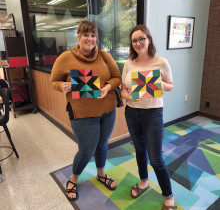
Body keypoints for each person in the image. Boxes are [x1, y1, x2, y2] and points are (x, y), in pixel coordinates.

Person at [50, 20, 122, 201]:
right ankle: (73, 180)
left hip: (107, 110)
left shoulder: (104, 56)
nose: (90, 39)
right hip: (82, 114)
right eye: (86, 35)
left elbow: (117, 77)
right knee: (86, 150)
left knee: (103, 143)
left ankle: (101, 174)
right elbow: (53, 81)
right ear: (79, 36)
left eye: (93, 35)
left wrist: (107, 87)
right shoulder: (65, 58)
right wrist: (63, 86)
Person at [121, 25, 176, 210]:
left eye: (141, 39)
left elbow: (171, 85)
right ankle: (143, 182)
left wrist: (161, 85)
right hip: (132, 112)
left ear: (149, 39)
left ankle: (168, 196)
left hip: (153, 113)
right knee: (139, 149)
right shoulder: (129, 63)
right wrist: (127, 96)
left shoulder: (161, 62)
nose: (138, 43)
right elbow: (123, 89)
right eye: (134, 40)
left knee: (155, 158)